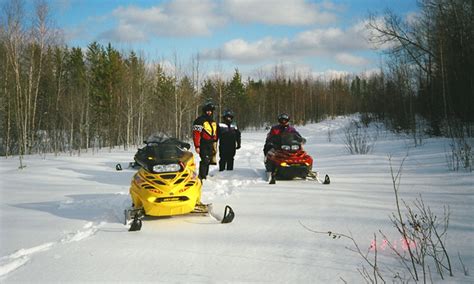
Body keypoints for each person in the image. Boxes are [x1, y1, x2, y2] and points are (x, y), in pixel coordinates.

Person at [192, 101, 218, 180]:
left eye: (210, 111)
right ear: (204, 111)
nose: (209, 112)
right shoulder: (199, 121)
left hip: (211, 144)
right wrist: (197, 146)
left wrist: (215, 143)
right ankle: (202, 177)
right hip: (203, 144)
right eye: (207, 111)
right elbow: (196, 134)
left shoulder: (213, 122)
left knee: (209, 160)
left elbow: (215, 133)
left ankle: (205, 175)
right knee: (205, 160)